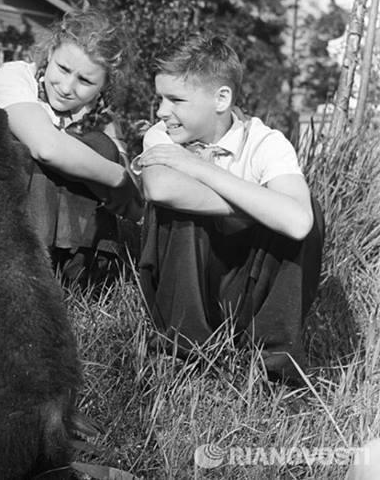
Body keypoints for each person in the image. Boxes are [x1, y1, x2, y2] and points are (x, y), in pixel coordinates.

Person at [133, 35, 324, 381]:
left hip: (245, 290)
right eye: (160, 98)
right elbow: (159, 188)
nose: (162, 111)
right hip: (185, 283)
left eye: (175, 99)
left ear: (222, 98)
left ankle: (272, 366)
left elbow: (298, 222)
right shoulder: (161, 135)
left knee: (311, 207)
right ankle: (182, 353)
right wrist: (263, 206)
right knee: (180, 204)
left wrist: (201, 169)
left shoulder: (266, 142)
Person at [0, 9, 143, 285]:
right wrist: (118, 178)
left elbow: (119, 171)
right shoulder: (15, 78)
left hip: (51, 232)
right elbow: (47, 148)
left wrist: (121, 169)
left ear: (104, 86)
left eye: (86, 81)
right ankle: (27, 269)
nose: (66, 87)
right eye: (63, 69)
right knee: (42, 156)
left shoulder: (94, 115)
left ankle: (83, 267)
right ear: (50, 53)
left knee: (98, 148)